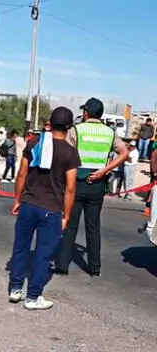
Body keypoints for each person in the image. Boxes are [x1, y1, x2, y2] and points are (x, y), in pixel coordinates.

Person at [8, 106, 80, 310]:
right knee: (43, 254)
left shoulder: (34, 143)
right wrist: (66, 215)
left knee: (20, 248)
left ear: (50, 122)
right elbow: (71, 188)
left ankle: (15, 289)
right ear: (69, 126)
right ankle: (33, 296)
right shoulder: (70, 153)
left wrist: (17, 200)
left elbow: (21, 174)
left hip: (28, 204)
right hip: (52, 209)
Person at [53, 97, 129, 277]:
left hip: (76, 183)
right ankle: (94, 267)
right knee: (93, 226)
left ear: (86, 112)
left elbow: (65, 154)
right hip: (97, 184)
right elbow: (124, 153)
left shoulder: (76, 130)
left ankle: (62, 265)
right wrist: (105, 170)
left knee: (70, 224)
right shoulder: (109, 133)